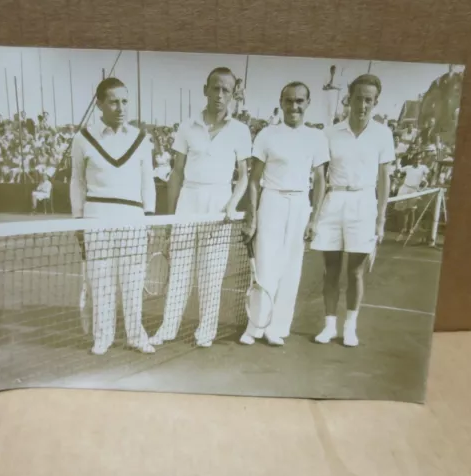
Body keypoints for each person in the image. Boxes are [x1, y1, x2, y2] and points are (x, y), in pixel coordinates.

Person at [150, 67, 252, 348]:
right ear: (205, 89)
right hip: (188, 200)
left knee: (212, 273)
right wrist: (172, 217)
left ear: (232, 95)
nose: (219, 95)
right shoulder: (187, 126)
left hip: (219, 203)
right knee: (180, 269)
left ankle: (206, 331)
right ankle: (168, 328)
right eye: (215, 88)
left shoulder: (240, 130)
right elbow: (177, 174)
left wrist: (231, 203)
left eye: (226, 90)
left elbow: (244, 175)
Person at [70, 77, 156, 356]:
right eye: (114, 102)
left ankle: (136, 336)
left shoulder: (142, 139)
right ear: (100, 104)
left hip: (132, 216)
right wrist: (78, 220)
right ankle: (103, 337)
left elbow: (148, 182)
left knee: (132, 282)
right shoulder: (82, 139)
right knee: (101, 281)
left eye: (125, 101)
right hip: (96, 217)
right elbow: (77, 183)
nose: (121, 108)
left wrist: (149, 218)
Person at [309, 74, 395, 347]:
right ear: (350, 98)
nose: (362, 105)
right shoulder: (330, 133)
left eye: (368, 100)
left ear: (375, 102)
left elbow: (384, 181)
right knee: (330, 270)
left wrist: (381, 220)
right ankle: (329, 326)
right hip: (334, 202)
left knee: (356, 272)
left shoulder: (383, 134)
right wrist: (314, 215)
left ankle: (350, 328)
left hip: (364, 204)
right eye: (358, 98)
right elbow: (320, 179)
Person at [241, 81, 329, 346]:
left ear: (307, 103)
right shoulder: (267, 135)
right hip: (272, 202)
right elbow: (254, 180)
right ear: (281, 103)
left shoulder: (316, 137)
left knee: (292, 269)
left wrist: (314, 219)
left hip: (300, 204)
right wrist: (252, 215)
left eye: (300, 101)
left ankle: (277, 328)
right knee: (266, 265)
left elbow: (321, 181)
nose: (294, 106)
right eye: (289, 101)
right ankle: (255, 326)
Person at [395, 151, 429, 241]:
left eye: (419, 159)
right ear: (412, 160)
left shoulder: (423, 168)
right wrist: (398, 160)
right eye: (415, 159)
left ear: (421, 160)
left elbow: (427, 176)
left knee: (411, 210)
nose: (417, 161)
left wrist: (423, 182)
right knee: (403, 211)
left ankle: (409, 230)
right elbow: (397, 171)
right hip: (405, 189)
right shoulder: (408, 168)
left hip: (415, 190)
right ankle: (403, 231)